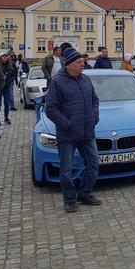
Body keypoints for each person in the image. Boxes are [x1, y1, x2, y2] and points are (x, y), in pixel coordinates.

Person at [46, 48, 101, 213]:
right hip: (68, 135)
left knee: (93, 164)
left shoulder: (85, 79)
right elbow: (51, 109)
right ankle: (70, 200)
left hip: (87, 132)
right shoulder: (57, 82)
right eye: (79, 62)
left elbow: (95, 100)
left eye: (82, 62)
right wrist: (66, 124)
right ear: (68, 64)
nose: (82, 64)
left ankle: (85, 193)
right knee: (66, 170)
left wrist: (94, 117)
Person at [0, 51, 16, 124]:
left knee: (7, 103)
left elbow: (14, 73)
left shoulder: (10, 65)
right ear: (0, 57)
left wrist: (10, 78)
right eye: (3, 56)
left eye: (6, 56)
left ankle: (6, 117)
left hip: (7, 86)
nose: (4, 57)